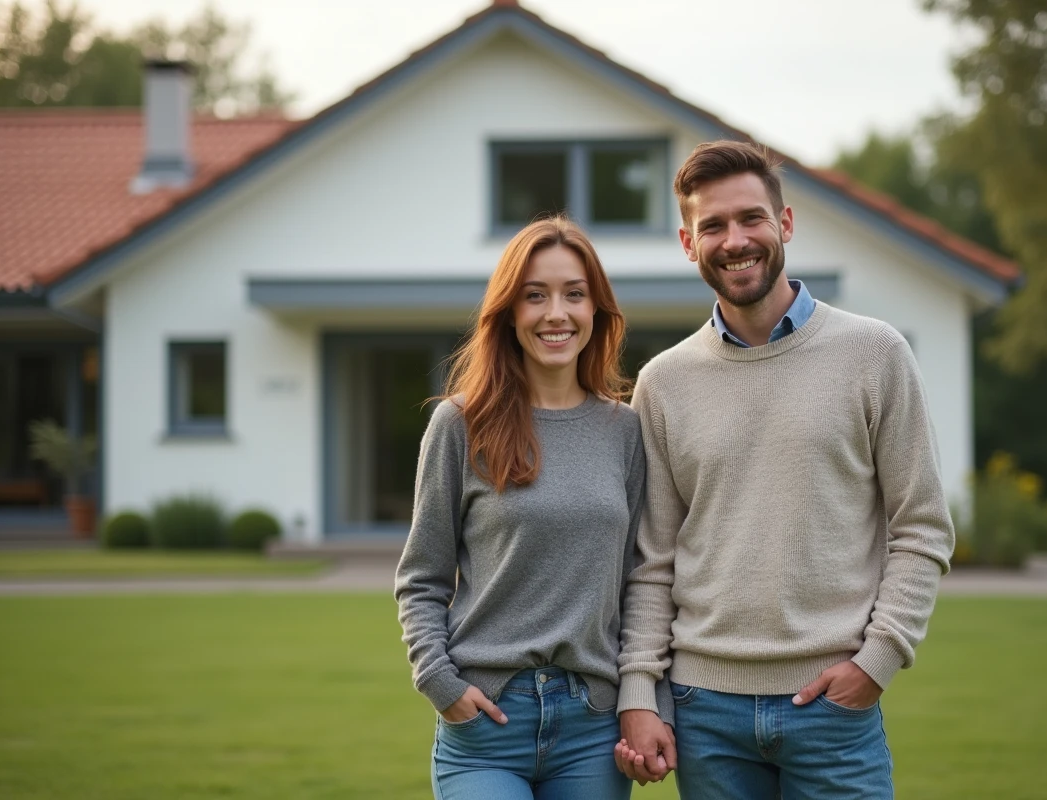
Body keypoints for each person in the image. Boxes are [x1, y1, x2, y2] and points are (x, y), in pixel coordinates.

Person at [613, 140, 956, 798]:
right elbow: (650, 560)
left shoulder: (874, 353)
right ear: (689, 244)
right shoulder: (663, 383)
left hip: (833, 707)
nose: (734, 240)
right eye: (712, 226)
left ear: (785, 225)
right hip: (704, 710)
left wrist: (876, 661)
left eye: (751, 218)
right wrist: (639, 691)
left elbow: (922, 526)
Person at [395, 216, 665, 799]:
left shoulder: (624, 431)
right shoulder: (460, 425)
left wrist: (646, 701)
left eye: (574, 294)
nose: (555, 314)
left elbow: (641, 580)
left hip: (593, 726)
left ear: (597, 310)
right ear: (509, 312)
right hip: (488, 722)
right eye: (534, 295)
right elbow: (422, 579)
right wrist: (440, 683)